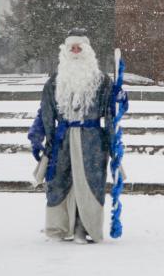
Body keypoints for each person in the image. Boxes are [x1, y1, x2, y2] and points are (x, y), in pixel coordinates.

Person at [28, 28, 115, 244]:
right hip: (63, 140)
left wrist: (113, 143)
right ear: (65, 52)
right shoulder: (56, 81)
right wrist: (42, 138)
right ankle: (60, 227)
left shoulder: (102, 81)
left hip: (92, 141)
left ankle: (83, 227)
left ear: (88, 50)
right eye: (71, 48)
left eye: (79, 47)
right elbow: (46, 111)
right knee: (61, 182)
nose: (75, 52)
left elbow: (111, 114)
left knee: (88, 184)